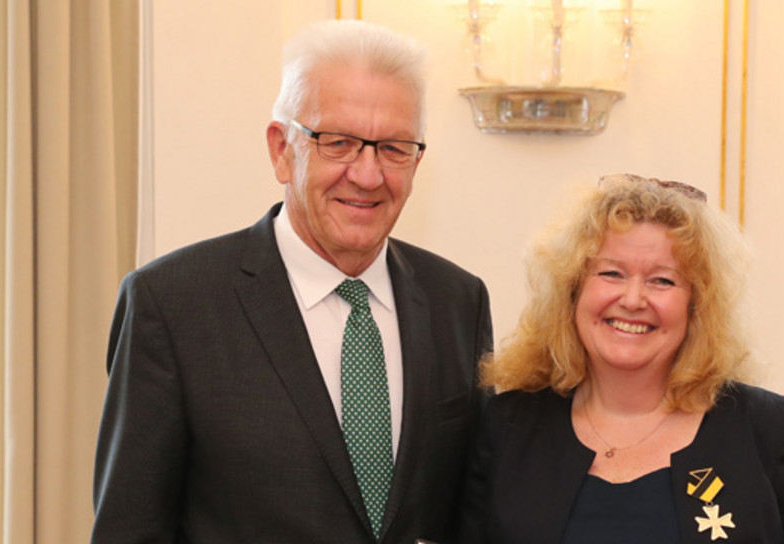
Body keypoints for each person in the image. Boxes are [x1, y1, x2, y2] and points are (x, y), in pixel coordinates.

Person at [92, 20, 493, 543]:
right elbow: (129, 529)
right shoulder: (171, 305)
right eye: (339, 142)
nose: (368, 175)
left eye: (393, 148)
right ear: (282, 149)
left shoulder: (457, 302)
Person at [458, 173, 784, 543]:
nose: (633, 299)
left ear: (697, 306)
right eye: (611, 273)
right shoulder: (507, 427)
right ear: (572, 292)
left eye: (662, 281)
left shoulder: (771, 431)